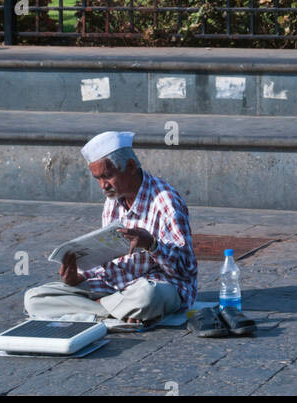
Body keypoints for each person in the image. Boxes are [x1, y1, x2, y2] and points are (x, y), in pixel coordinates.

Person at [24, 130, 197, 328]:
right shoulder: (113, 199)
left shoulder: (166, 201)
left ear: (131, 166)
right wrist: (78, 277)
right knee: (35, 298)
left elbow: (185, 272)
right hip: (115, 287)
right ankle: (113, 312)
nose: (102, 186)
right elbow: (106, 259)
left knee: (148, 296)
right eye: (97, 178)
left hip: (153, 287)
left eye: (107, 176)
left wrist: (152, 245)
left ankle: (98, 310)